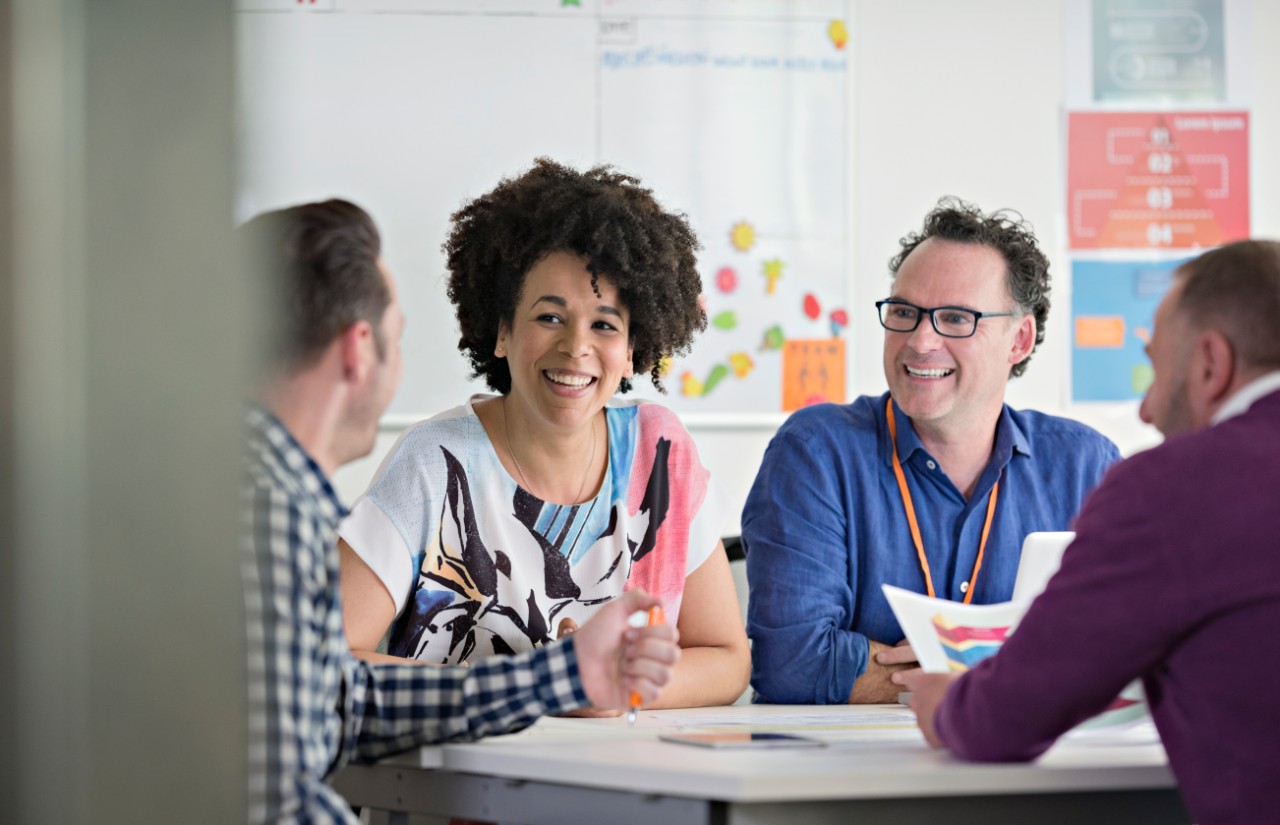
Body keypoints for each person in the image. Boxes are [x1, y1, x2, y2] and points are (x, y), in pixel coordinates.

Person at [241, 198, 681, 824]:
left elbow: (346, 701)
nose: (577, 346)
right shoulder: (272, 512)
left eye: (605, 325)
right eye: (399, 340)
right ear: (358, 351)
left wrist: (564, 677)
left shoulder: (257, 490)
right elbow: (281, 797)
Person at [336, 158, 751, 711]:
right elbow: (330, 664)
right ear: (502, 332)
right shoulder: (434, 463)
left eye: (604, 324)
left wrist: (612, 690)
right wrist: (552, 685)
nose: (577, 347)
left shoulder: (660, 452)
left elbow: (727, 658)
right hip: (458, 790)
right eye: (549, 317)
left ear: (632, 352)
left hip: (630, 786)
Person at [904, 239, 1280, 825]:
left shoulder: (1173, 487)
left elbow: (1007, 717)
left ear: (1210, 364)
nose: (1147, 411)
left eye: (1158, 368)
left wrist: (949, 703)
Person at [742, 199, 1120, 704]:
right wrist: (1005, 676)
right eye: (904, 312)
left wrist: (938, 674)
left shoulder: (1085, 467)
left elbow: (1127, 650)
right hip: (858, 776)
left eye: (956, 318)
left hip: (1035, 770)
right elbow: (790, 663)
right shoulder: (816, 452)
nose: (920, 341)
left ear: (1019, 340)